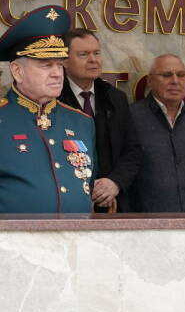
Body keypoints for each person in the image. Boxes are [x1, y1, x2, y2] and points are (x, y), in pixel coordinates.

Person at [0, 5, 96, 213]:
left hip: (75, 243)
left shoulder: (81, 122)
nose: (57, 73)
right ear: (17, 71)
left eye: (59, 65)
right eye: (46, 65)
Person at [58, 29, 141, 212]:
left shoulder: (115, 98)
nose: (93, 60)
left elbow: (132, 151)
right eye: (83, 55)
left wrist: (114, 183)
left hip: (114, 202)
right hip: (69, 204)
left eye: (96, 53)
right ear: (64, 61)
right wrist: (88, 190)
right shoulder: (53, 99)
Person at [127, 54, 185, 213]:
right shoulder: (131, 117)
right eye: (166, 75)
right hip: (145, 222)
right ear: (150, 81)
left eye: (181, 75)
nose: (175, 81)